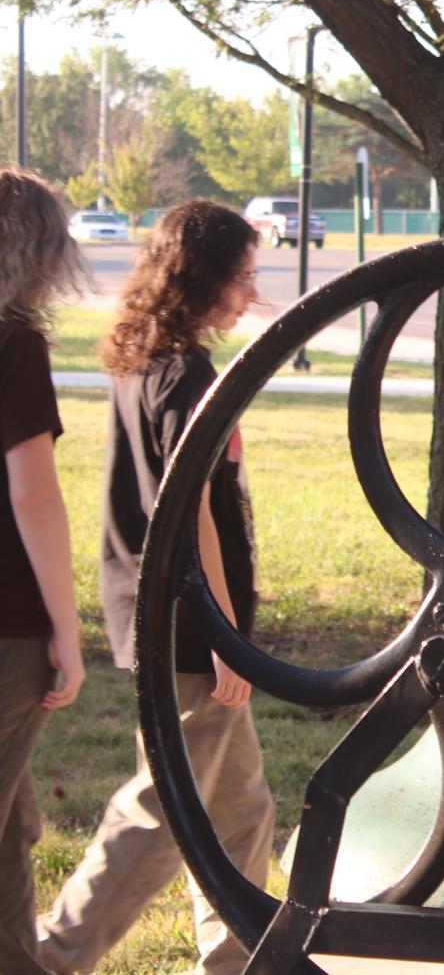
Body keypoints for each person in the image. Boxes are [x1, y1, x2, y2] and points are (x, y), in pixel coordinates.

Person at [38, 200, 276, 975]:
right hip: (186, 623)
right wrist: (224, 635)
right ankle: (54, 954)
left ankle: (240, 958)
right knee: (163, 810)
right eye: (241, 276)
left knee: (239, 810)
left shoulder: (149, 357)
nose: (250, 291)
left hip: (162, 611)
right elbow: (193, 509)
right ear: (202, 279)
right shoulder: (186, 374)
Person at [1, 170, 90, 975]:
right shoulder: (13, 341)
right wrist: (66, 629)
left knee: (16, 824)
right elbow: (34, 495)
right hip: (8, 624)